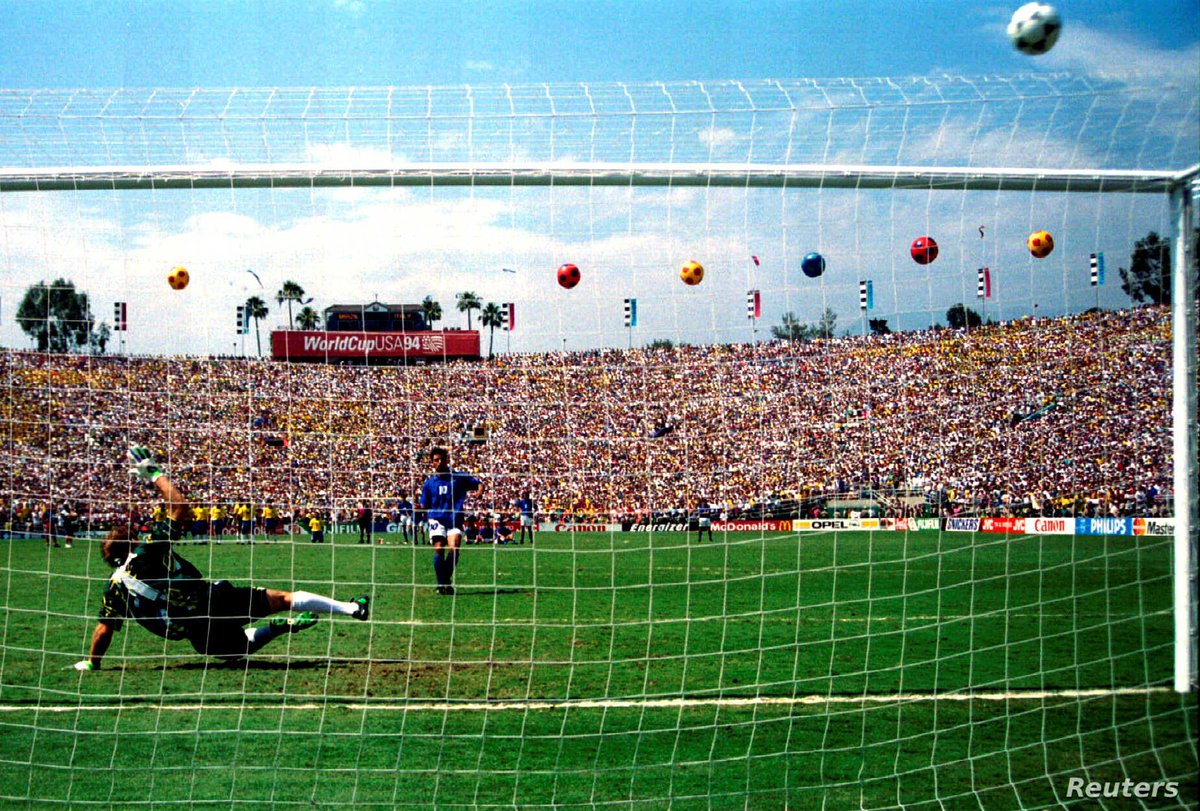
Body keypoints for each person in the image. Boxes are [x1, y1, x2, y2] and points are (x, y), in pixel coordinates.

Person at [73, 447, 369, 671]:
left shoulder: (114, 587)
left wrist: (92, 662)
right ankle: (352, 608)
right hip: (212, 599)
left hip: (195, 632)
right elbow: (179, 506)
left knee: (241, 649)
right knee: (282, 598)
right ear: (132, 543)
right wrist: (153, 473)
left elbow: (104, 629)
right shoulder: (147, 551)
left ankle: (279, 629)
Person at [418, 447, 482, 595]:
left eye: (441, 459)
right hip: (436, 518)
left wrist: (479, 491)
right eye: (436, 460)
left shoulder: (458, 477)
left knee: (454, 548)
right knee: (439, 547)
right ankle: (443, 583)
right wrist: (418, 507)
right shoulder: (429, 484)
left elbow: (478, 483)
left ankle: (444, 580)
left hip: (454, 519)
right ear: (432, 463)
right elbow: (425, 504)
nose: (439, 462)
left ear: (446, 460)